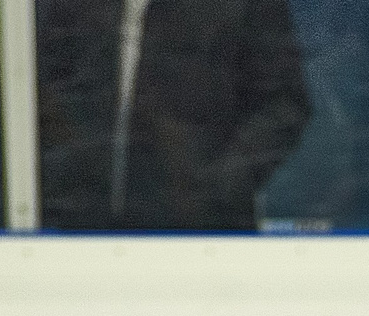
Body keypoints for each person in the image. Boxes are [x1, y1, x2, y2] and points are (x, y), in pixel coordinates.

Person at [36, 0, 309, 230]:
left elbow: (284, 104)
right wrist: (65, 178)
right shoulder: (74, 7)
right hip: (80, 233)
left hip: (205, 238)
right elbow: (39, 93)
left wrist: (219, 187)